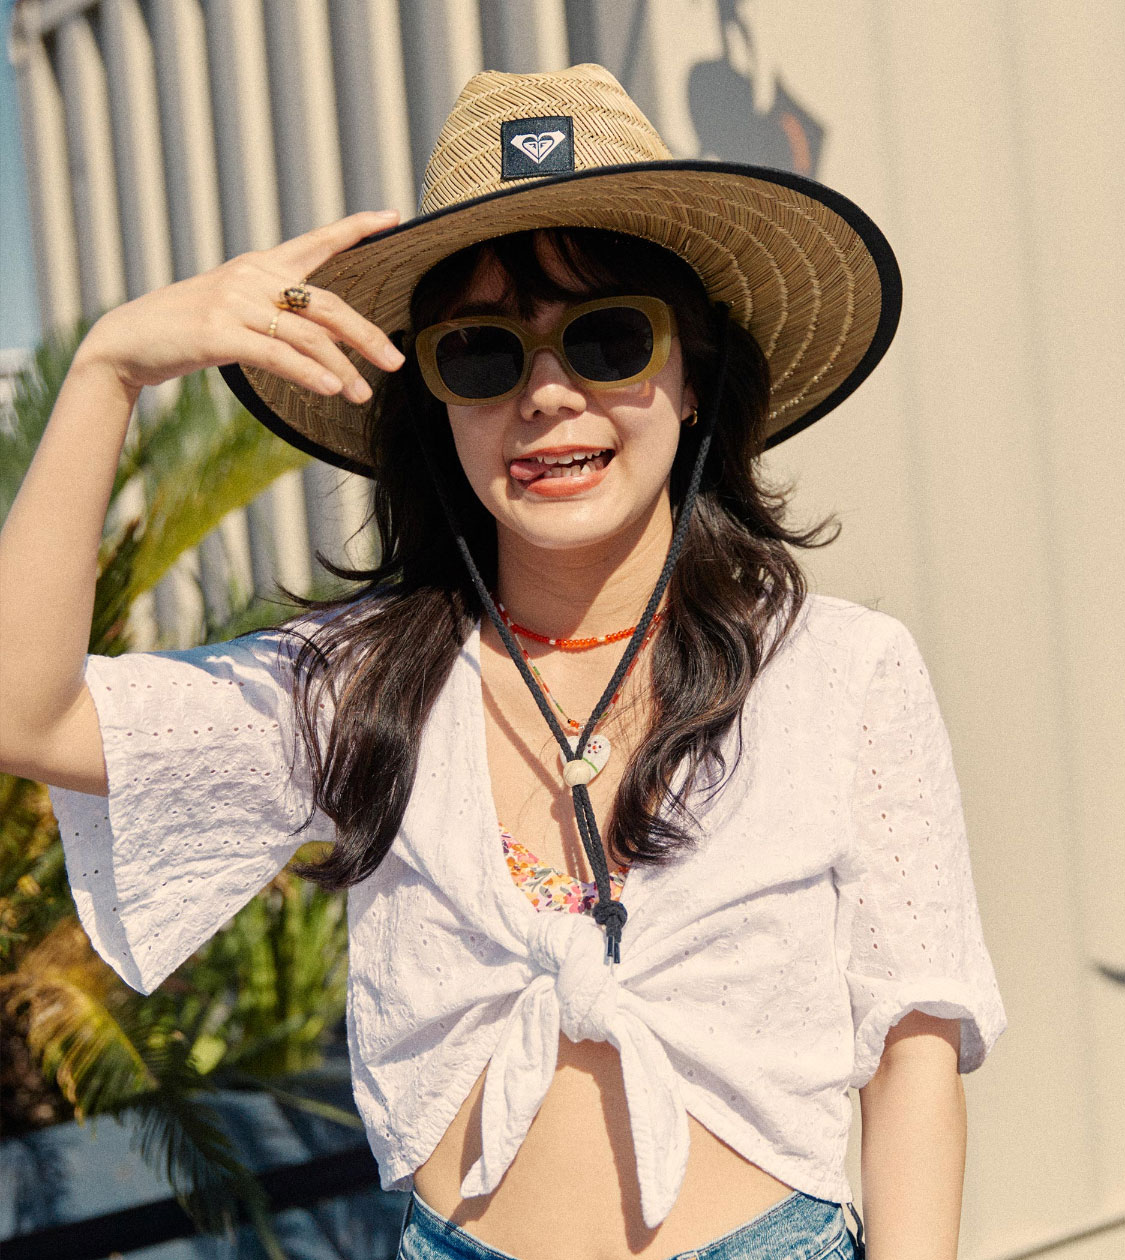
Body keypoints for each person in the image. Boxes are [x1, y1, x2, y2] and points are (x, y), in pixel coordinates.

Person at [0, 64, 1006, 1260]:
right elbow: (26, 716)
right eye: (482, 355)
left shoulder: (840, 671)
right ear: (436, 404)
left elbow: (912, 1044)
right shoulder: (363, 684)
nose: (547, 395)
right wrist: (109, 370)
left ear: (693, 379)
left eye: (608, 337)